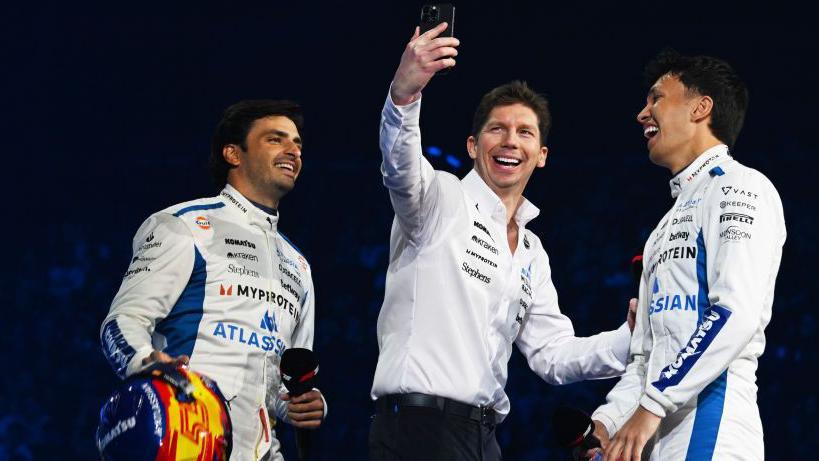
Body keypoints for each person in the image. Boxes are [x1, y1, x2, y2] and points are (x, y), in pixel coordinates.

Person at [369, 23, 634, 461]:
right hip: (417, 431)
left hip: (484, 438)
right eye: (497, 129)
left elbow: (554, 356)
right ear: (473, 146)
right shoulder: (439, 197)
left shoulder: (532, 253)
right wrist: (404, 95)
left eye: (525, 132)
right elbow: (399, 166)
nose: (511, 140)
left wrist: (632, 336)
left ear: (542, 154)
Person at [100, 100, 326, 461]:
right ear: (233, 154)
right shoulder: (184, 225)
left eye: (297, 143)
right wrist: (145, 361)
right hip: (187, 442)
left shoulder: (299, 266)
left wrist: (300, 406)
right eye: (276, 139)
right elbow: (121, 323)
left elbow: (284, 383)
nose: (293, 150)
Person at [590, 50, 786, 461]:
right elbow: (645, 354)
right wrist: (608, 424)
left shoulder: (740, 186)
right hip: (660, 439)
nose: (642, 114)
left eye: (656, 98)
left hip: (716, 431)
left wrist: (651, 406)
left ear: (701, 107)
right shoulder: (662, 229)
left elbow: (735, 311)